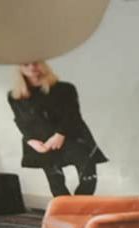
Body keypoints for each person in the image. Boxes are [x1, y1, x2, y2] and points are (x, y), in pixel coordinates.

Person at [8, 60, 106, 196]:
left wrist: (60, 134)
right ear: (19, 68)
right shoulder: (15, 95)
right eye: (26, 64)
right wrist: (31, 141)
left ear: (43, 64)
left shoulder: (65, 88)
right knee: (56, 183)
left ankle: (78, 205)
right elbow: (20, 120)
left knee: (88, 178)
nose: (32, 67)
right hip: (43, 142)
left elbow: (73, 114)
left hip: (74, 137)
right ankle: (65, 207)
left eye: (36, 63)